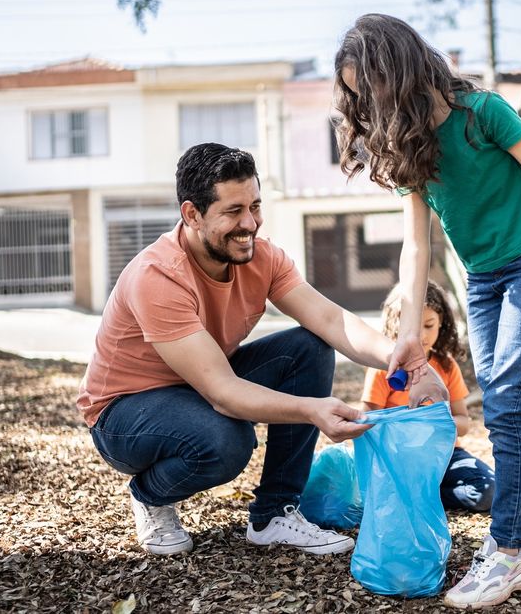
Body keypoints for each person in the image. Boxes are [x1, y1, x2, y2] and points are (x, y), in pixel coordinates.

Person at [334, 14, 521, 608]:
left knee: (503, 400)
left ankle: (507, 552)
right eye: (355, 94)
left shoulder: (484, 113)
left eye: (368, 86)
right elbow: (416, 244)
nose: (365, 102)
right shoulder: (407, 148)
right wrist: (407, 329)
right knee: (507, 403)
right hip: (482, 280)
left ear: (398, 70)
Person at [76, 142, 448, 557]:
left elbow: (330, 320)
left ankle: (274, 515)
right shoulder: (158, 276)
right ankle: (150, 494)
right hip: (125, 414)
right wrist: (311, 410)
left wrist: (408, 360)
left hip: (195, 386)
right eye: (233, 212)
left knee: (310, 346)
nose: (250, 223)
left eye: (254, 206)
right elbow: (222, 392)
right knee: (226, 441)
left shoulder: (261, 257)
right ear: (192, 214)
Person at [363, 280, 494, 513]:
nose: (420, 335)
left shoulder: (446, 365)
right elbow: (367, 422)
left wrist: (435, 422)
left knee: (489, 491)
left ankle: (425, 494)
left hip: (445, 456)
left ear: (441, 323)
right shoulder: (385, 367)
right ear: (395, 325)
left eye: (429, 325)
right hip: (399, 459)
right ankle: (415, 492)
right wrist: (405, 425)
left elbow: (463, 424)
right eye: (411, 325)